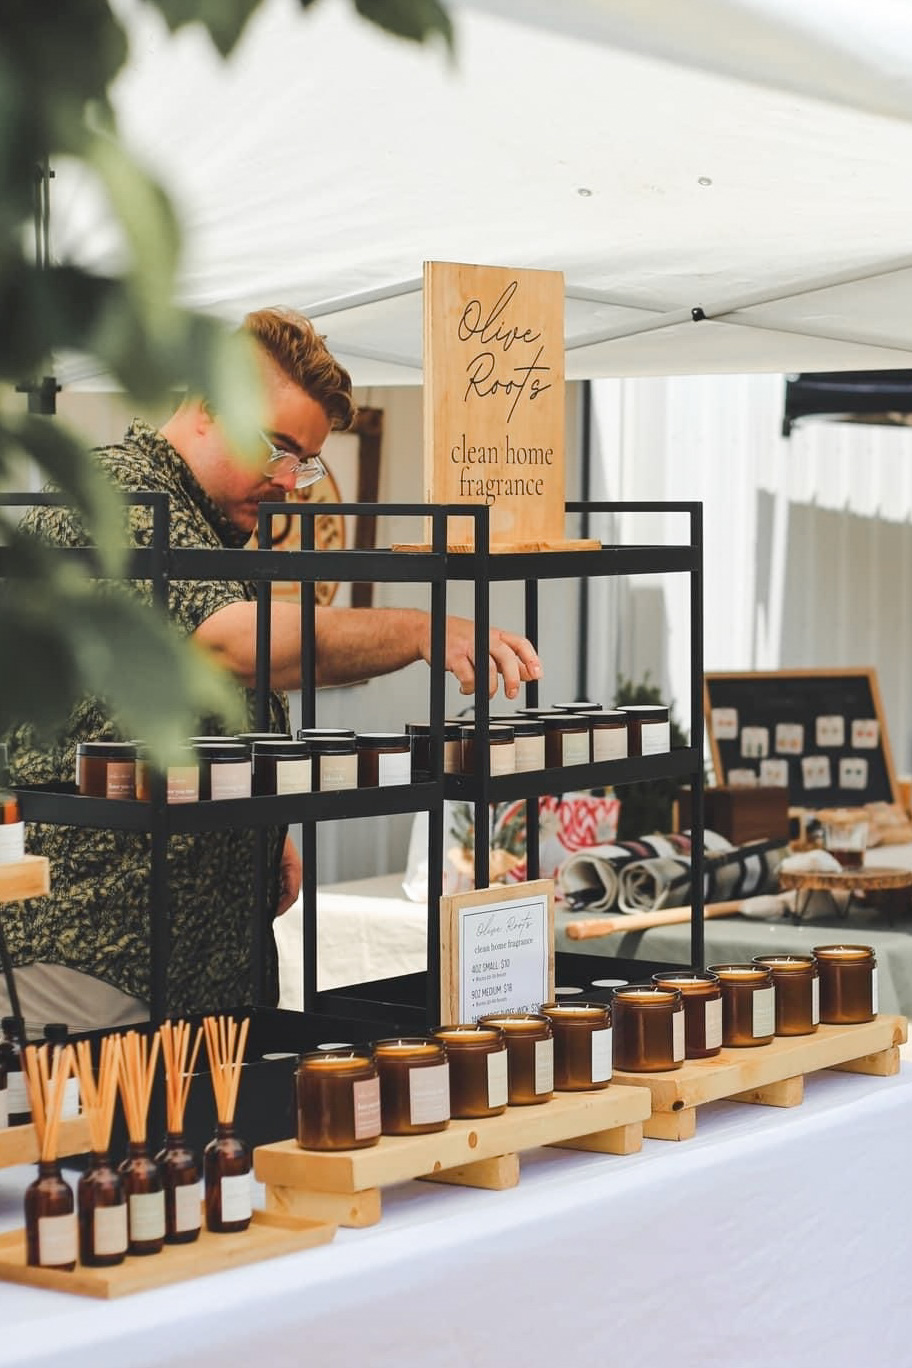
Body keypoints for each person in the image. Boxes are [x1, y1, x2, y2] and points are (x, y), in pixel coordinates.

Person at [4, 307, 541, 1030]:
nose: (289, 482)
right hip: (95, 955)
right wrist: (420, 630)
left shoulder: (207, 529)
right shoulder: (115, 497)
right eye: (276, 449)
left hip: (206, 964)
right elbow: (232, 645)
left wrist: (260, 829)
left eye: (304, 464)